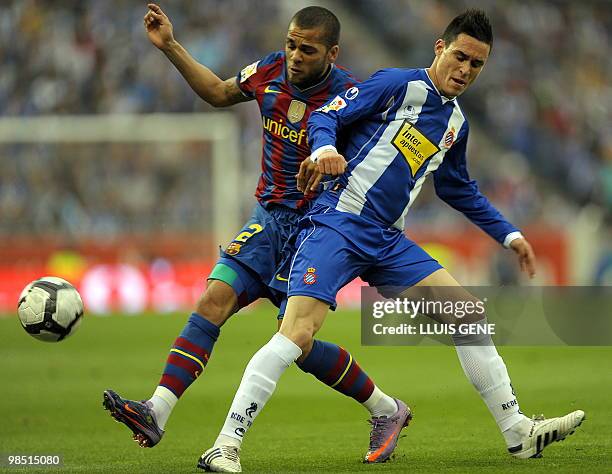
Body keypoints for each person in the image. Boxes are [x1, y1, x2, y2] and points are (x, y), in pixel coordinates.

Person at [200, 9, 585, 472]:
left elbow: (457, 188)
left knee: (467, 316)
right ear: (440, 48)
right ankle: (225, 444)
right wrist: (323, 148)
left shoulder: (455, 124)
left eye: (477, 65)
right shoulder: (398, 84)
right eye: (460, 56)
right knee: (297, 334)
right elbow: (327, 114)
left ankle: (517, 432)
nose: (465, 70)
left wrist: (509, 233)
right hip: (338, 221)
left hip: (386, 239)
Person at [102, 2, 410, 462]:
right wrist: (170, 46)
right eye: (290, 44)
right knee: (213, 299)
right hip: (268, 220)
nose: (294, 56)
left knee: (299, 345)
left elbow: (374, 166)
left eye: (307, 49)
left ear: (332, 52)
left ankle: (385, 408)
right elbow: (217, 92)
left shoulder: (353, 95)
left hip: (318, 229)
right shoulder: (268, 70)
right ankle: (157, 409)